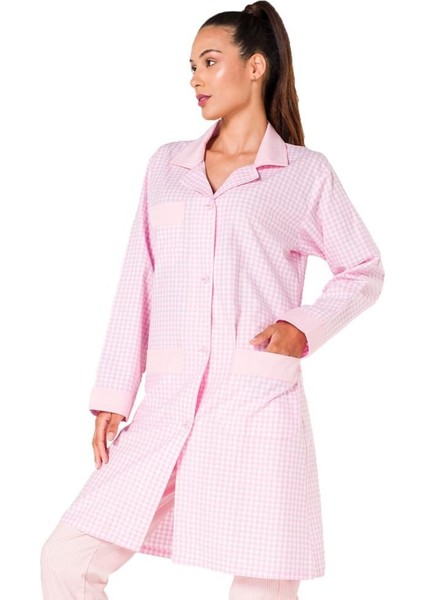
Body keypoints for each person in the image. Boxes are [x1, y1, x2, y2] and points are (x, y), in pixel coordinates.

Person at [40, 2, 385, 598]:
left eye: (209, 62)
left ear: (255, 67)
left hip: (255, 404)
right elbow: (138, 281)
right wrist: (114, 394)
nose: (195, 78)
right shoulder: (166, 167)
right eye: (192, 67)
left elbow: (363, 268)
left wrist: (303, 327)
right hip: (167, 405)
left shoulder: (304, 173)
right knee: (66, 559)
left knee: (263, 583)